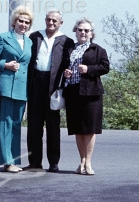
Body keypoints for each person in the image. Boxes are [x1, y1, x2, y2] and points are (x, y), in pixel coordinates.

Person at [25, 10, 75, 172]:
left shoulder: (66, 41)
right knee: (34, 126)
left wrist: (68, 73)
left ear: (60, 23)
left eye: (54, 20)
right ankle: (34, 162)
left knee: (53, 126)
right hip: (36, 83)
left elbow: (70, 61)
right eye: (48, 19)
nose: (51, 23)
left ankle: (54, 162)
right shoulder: (35, 36)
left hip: (53, 85)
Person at [0, 5, 34, 173]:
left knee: (16, 124)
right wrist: (5, 64)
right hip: (7, 87)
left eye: (27, 22)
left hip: (22, 89)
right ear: (14, 21)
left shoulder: (29, 42)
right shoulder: (3, 37)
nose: (23, 24)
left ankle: (14, 160)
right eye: (20, 21)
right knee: (6, 124)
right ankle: (7, 162)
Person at [63, 17, 109, 176]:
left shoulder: (98, 50)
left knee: (89, 129)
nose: (83, 32)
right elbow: (63, 67)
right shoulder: (69, 49)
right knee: (78, 129)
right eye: (80, 30)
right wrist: (66, 73)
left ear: (91, 33)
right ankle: (81, 160)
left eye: (86, 30)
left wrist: (88, 69)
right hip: (73, 92)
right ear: (75, 31)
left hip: (91, 93)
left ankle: (88, 162)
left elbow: (105, 67)